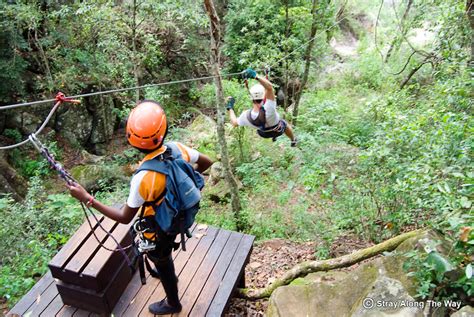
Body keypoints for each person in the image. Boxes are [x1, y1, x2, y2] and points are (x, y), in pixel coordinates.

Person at [67, 100, 213, 315]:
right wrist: (182, 183)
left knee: (162, 257)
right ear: (163, 131)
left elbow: (125, 217)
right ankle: (161, 266)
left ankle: (173, 303)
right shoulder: (176, 148)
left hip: (160, 224)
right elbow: (206, 162)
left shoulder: (143, 177)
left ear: (132, 141)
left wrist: (88, 198)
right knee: (161, 253)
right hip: (179, 214)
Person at [227, 68, 297, 146]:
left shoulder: (245, 116)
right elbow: (269, 88)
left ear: (251, 97)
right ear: (264, 95)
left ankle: (274, 136)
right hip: (278, 130)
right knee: (284, 123)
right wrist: (255, 76)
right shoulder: (270, 107)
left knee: (270, 125)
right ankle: (293, 140)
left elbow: (234, 122)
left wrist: (230, 107)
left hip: (264, 133)